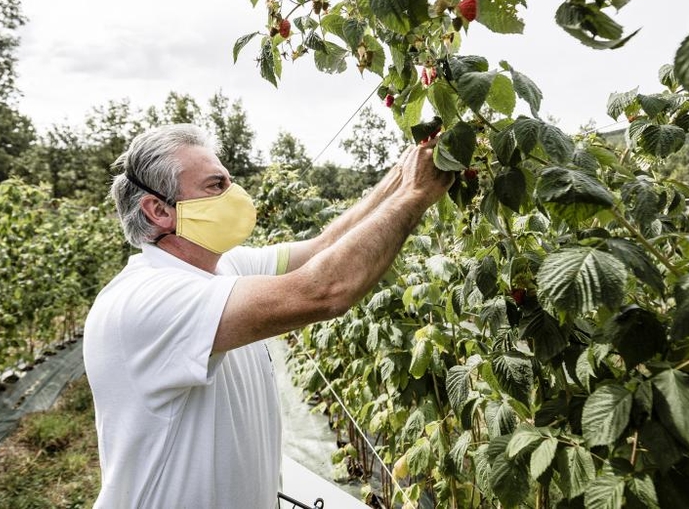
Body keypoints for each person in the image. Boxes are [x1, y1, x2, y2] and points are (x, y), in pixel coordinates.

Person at [82, 123, 453, 508]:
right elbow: (323, 290)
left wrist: (403, 171)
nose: (235, 195)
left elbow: (325, 246)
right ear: (159, 210)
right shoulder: (147, 300)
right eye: (215, 186)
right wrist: (415, 194)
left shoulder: (225, 267)